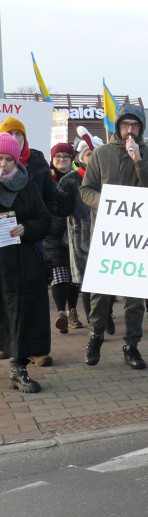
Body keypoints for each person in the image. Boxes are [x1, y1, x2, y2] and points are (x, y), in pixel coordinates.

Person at [79, 102, 148, 370]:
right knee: (101, 292)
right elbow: (86, 190)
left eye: (135, 125)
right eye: (126, 125)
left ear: (141, 129)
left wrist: (138, 159)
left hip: (138, 234)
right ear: (118, 127)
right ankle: (96, 335)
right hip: (106, 234)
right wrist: (104, 202)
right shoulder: (102, 154)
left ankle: (132, 345)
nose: (130, 130)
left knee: (134, 295)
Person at [0, 132, 52, 393]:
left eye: (8, 159)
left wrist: (26, 228)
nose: (3, 164)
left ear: (17, 160)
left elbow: (45, 221)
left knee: (24, 313)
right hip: (1, 264)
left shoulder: (28, 185)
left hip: (24, 261)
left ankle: (18, 368)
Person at [59, 134, 101, 327]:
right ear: (81, 157)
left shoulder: (107, 178)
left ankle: (105, 316)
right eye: (89, 154)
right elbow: (62, 209)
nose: (92, 158)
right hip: (80, 236)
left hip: (104, 235)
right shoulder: (70, 180)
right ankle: (93, 321)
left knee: (103, 281)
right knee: (87, 282)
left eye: (96, 154)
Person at [44, 143, 80, 341]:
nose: (62, 160)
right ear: (52, 158)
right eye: (58, 156)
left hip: (74, 232)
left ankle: (73, 311)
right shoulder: (46, 178)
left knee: (74, 276)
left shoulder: (78, 177)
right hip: (52, 234)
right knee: (59, 274)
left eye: (66, 156)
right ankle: (61, 313)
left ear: (72, 158)